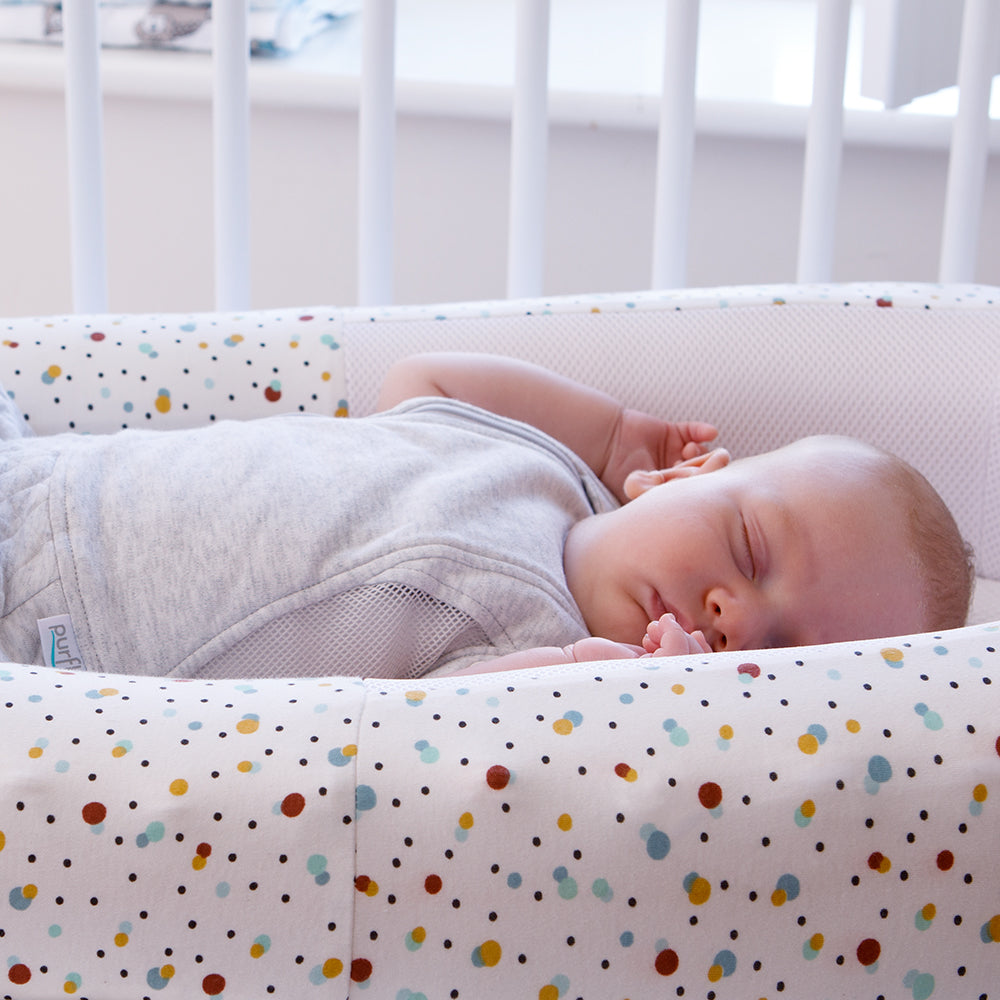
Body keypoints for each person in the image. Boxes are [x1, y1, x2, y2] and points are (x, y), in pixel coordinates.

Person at [0, 353, 973, 679]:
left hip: (59, 639)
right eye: (750, 549)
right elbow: (417, 379)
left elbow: (453, 739)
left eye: (785, 650)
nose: (737, 616)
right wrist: (607, 430)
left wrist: (639, 698)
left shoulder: (547, 644)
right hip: (46, 472)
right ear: (680, 480)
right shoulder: (538, 462)